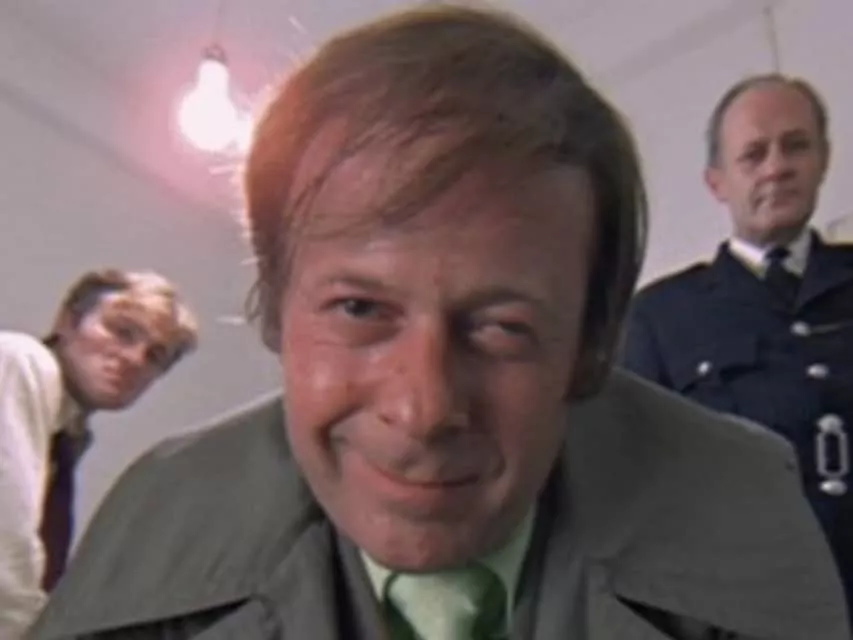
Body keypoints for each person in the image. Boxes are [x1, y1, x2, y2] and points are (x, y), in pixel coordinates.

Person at [28, 8, 849, 639]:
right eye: (359, 309)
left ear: (590, 349)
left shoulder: (746, 512)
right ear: (274, 308)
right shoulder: (149, 531)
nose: (422, 408)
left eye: (501, 327)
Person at [620, 74, 853, 614]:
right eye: (753, 154)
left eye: (795, 146)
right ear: (717, 182)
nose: (776, 167)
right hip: (759, 608)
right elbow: (637, 496)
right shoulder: (660, 319)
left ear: (823, 159)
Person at [0, 268, 198, 637]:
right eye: (123, 331)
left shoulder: (68, 435)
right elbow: (5, 547)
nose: (135, 359)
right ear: (68, 321)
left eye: (155, 356)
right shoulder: (22, 362)